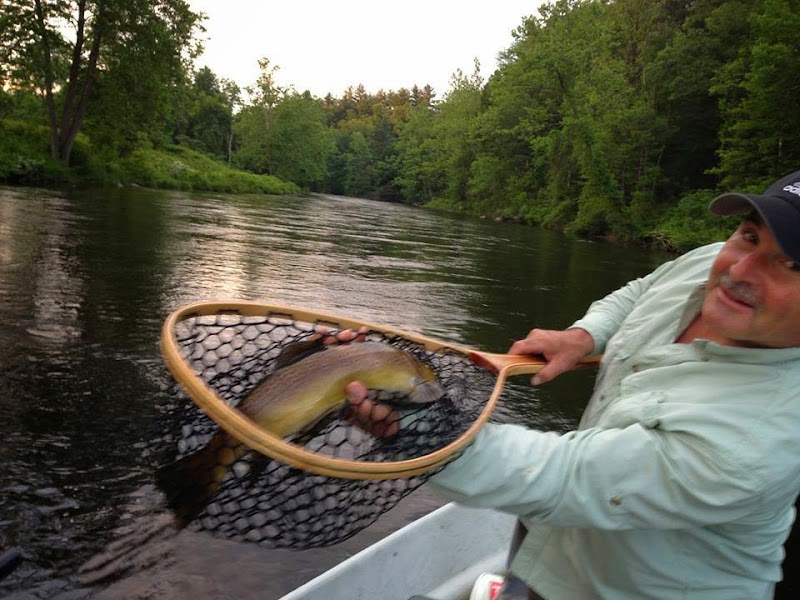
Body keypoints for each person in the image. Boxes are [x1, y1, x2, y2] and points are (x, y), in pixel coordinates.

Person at [348, 170, 800, 599]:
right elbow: (642, 290)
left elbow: (562, 478)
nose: (740, 271)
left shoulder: (760, 439)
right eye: (750, 234)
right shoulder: (708, 261)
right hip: (550, 548)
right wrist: (583, 336)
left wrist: (415, 425)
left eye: (790, 264)